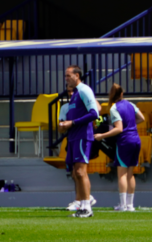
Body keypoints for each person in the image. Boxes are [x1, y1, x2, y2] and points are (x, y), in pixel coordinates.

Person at [94, 84, 145, 212]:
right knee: (130, 173)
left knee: (122, 173)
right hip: (136, 140)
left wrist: (101, 136)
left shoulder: (114, 108)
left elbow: (119, 129)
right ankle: (130, 205)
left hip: (125, 141)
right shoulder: (131, 105)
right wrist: (131, 124)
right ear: (122, 94)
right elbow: (142, 118)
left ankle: (122, 205)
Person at [58, 66, 100, 218]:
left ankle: (87, 208)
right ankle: (83, 206)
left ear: (77, 75)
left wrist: (72, 123)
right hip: (74, 137)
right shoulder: (75, 94)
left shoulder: (84, 90)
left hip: (83, 135)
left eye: (68, 75)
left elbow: (94, 113)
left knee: (81, 172)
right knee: (77, 172)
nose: (66, 78)